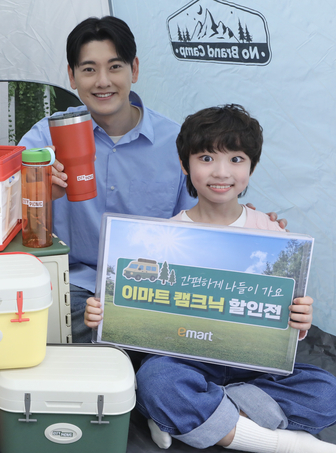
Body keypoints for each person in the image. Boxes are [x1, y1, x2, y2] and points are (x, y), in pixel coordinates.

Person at [19, 15, 284, 344]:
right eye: (88, 69)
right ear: (72, 76)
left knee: (160, 332)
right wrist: (40, 194)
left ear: (134, 69)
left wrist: (249, 225)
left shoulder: (178, 143)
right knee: (53, 318)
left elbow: (200, 223)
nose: (103, 81)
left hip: (150, 289)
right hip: (73, 286)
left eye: (115, 67)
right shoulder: (45, 138)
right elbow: (7, 210)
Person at [86, 104, 336, 452]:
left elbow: (283, 321)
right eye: (206, 158)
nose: (221, 172)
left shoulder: (272, 233)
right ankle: (276, 442)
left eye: (236, 159)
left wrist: (299, 320)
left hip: (253, 367)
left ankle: (188, 416)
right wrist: (104, 315)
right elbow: (141, 312)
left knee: (325, 390)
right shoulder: (165, 237)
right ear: (184, 164)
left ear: (251, 167)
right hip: (186, 362)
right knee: (156, 379)